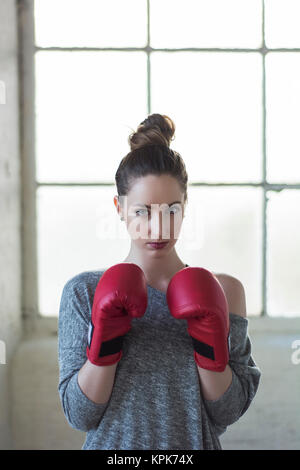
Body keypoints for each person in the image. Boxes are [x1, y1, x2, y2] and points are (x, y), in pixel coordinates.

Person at [58, 113, 261, 450]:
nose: (158, 228)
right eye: (142, 211)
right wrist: (104, 347)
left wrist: (209, 346)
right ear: (119, 208)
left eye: (171, 210)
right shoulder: (85, 293)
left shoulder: (225, 291)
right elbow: (80, 416)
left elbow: (228, 411)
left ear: (185, 207)